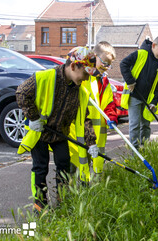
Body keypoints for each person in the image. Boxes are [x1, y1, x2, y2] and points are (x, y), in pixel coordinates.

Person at [16, 47, 99, 213]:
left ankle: (63, 201)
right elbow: (21, 93)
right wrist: (33, 117)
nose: (86, 78)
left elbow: (85, 118)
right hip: (40, 132)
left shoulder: (81, 92)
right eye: (85, 74)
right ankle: (40, 204)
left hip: (60, 134)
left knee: (64, 165)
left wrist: (91, 143)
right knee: (40, 168)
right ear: (74, 66)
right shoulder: (44, 77)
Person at [68, 42, 117, 182]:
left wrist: (111, 117)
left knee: (88, 161)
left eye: (109, 65)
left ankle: (85, 191)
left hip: (95, 133)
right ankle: (67, 194)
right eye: (104, 62)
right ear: (94, 57)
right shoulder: (83, 76)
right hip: (77, 130)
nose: (106, 67)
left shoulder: (103, 80)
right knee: (73, 162)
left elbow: (108, 102)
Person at [120, 35, 158, 149]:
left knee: (146, 125)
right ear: (154, 45)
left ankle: (145, 148)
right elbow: (123, 64)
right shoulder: (140, 54)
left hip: (148, 101)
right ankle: (136, 152)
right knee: (135, 125)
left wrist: (154, 102)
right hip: (134, 96)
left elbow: (157, 86)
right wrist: (130, 81)